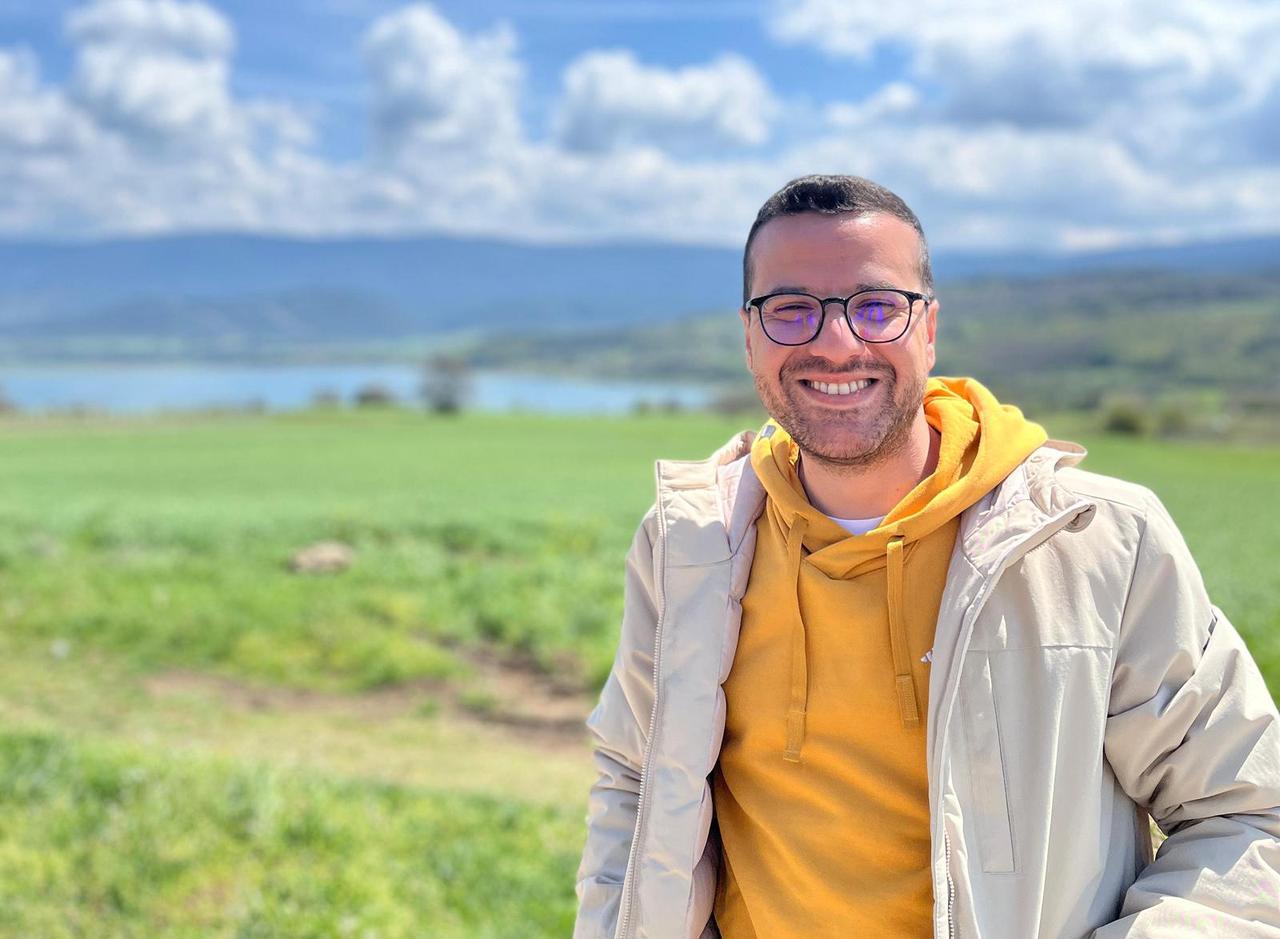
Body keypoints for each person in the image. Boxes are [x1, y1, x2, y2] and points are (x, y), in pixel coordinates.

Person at [572, 175, 1280, 939]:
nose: (836, 342)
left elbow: (1245, 811)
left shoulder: (1100, 539)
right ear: (749, 336)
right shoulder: (692, 542)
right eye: (790, 309)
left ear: (929, 328)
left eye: (876, 307)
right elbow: (635, 783)